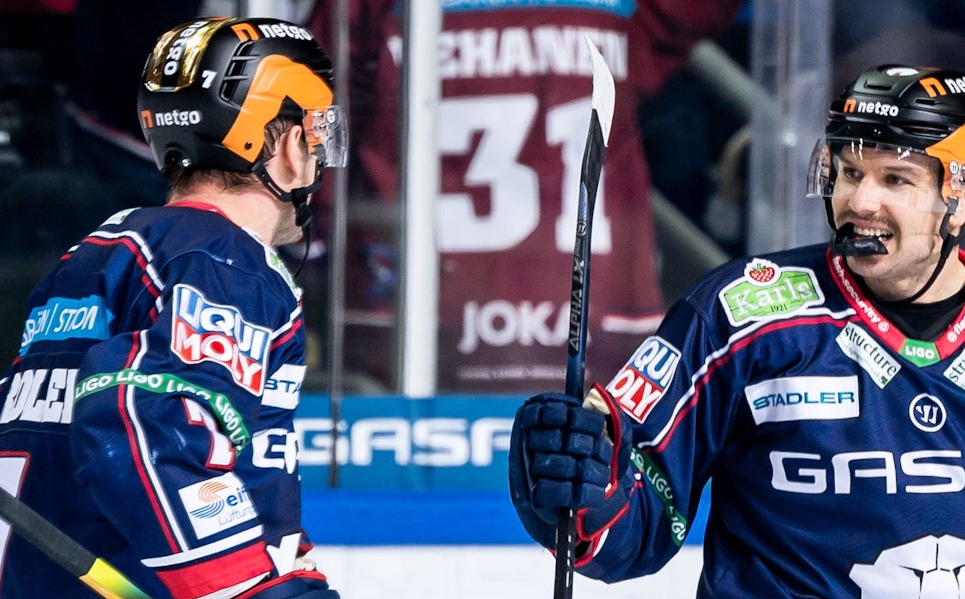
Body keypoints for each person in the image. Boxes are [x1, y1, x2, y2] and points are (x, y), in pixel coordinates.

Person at [509, 65, 965, 599]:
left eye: (896, 179)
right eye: (849, 171)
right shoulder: (743, 316)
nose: (860, 200)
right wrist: (580, 486)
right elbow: (634, 523)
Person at [0, 17, 348, 599]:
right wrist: (247, 589)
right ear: (280, 143)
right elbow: (146, 418)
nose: (319, 157)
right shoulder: (228, 264)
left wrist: (286, 569)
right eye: (316, 131)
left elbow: (14, 423)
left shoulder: (95, 256)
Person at [307, 0, 742, 392]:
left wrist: (314, 255)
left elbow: (310, 127)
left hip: (417, 331)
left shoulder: (369, 11)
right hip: (591, 325)